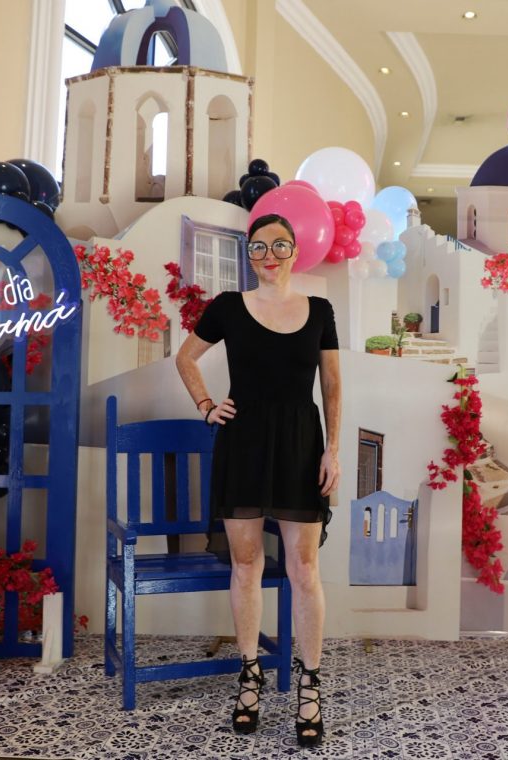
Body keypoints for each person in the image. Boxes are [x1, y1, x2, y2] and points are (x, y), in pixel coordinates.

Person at [174, 213, 341, 746]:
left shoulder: (320, 310)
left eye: (280, 245)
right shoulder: (227, 306)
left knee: (304, 568)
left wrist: (333, 450)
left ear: (295, 251)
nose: (270, 255)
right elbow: (186, 357)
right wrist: (206, 404)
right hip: (242, 444)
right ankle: (250, 676)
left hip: (300, 445)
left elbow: (332, 386)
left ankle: (310, 686)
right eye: (259, 247)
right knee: (246, 564)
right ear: (249, 254)